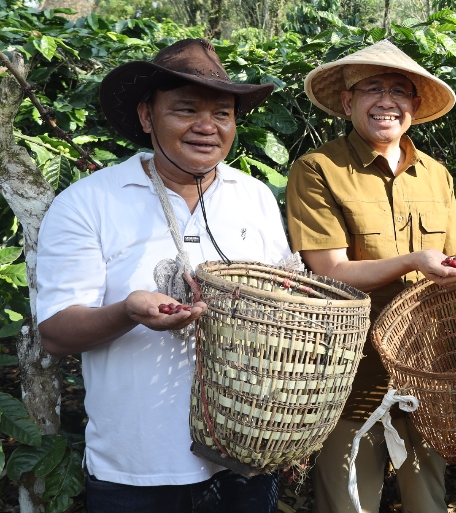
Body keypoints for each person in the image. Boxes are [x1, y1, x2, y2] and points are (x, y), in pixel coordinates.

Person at [36, 39, 287, 512]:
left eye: (223, 114)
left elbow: (281, 297)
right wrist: (128, 310)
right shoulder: (89, 202)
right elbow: (55, 333)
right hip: (138, 465)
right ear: (147, 117)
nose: (207, 127)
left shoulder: (252, 197)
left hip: (245, 453)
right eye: (186, 110)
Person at [286, 40, 456, 513]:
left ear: (414, 106)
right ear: (347, 102)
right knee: (348, 503)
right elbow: (330, 271)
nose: (387, 101)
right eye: (372, 89)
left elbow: (450, 255)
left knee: (428, 500)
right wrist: (412, 262)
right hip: (351, 372)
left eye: (399, 91)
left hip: (426, 368)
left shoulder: (437, 175)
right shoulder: (318, 170)